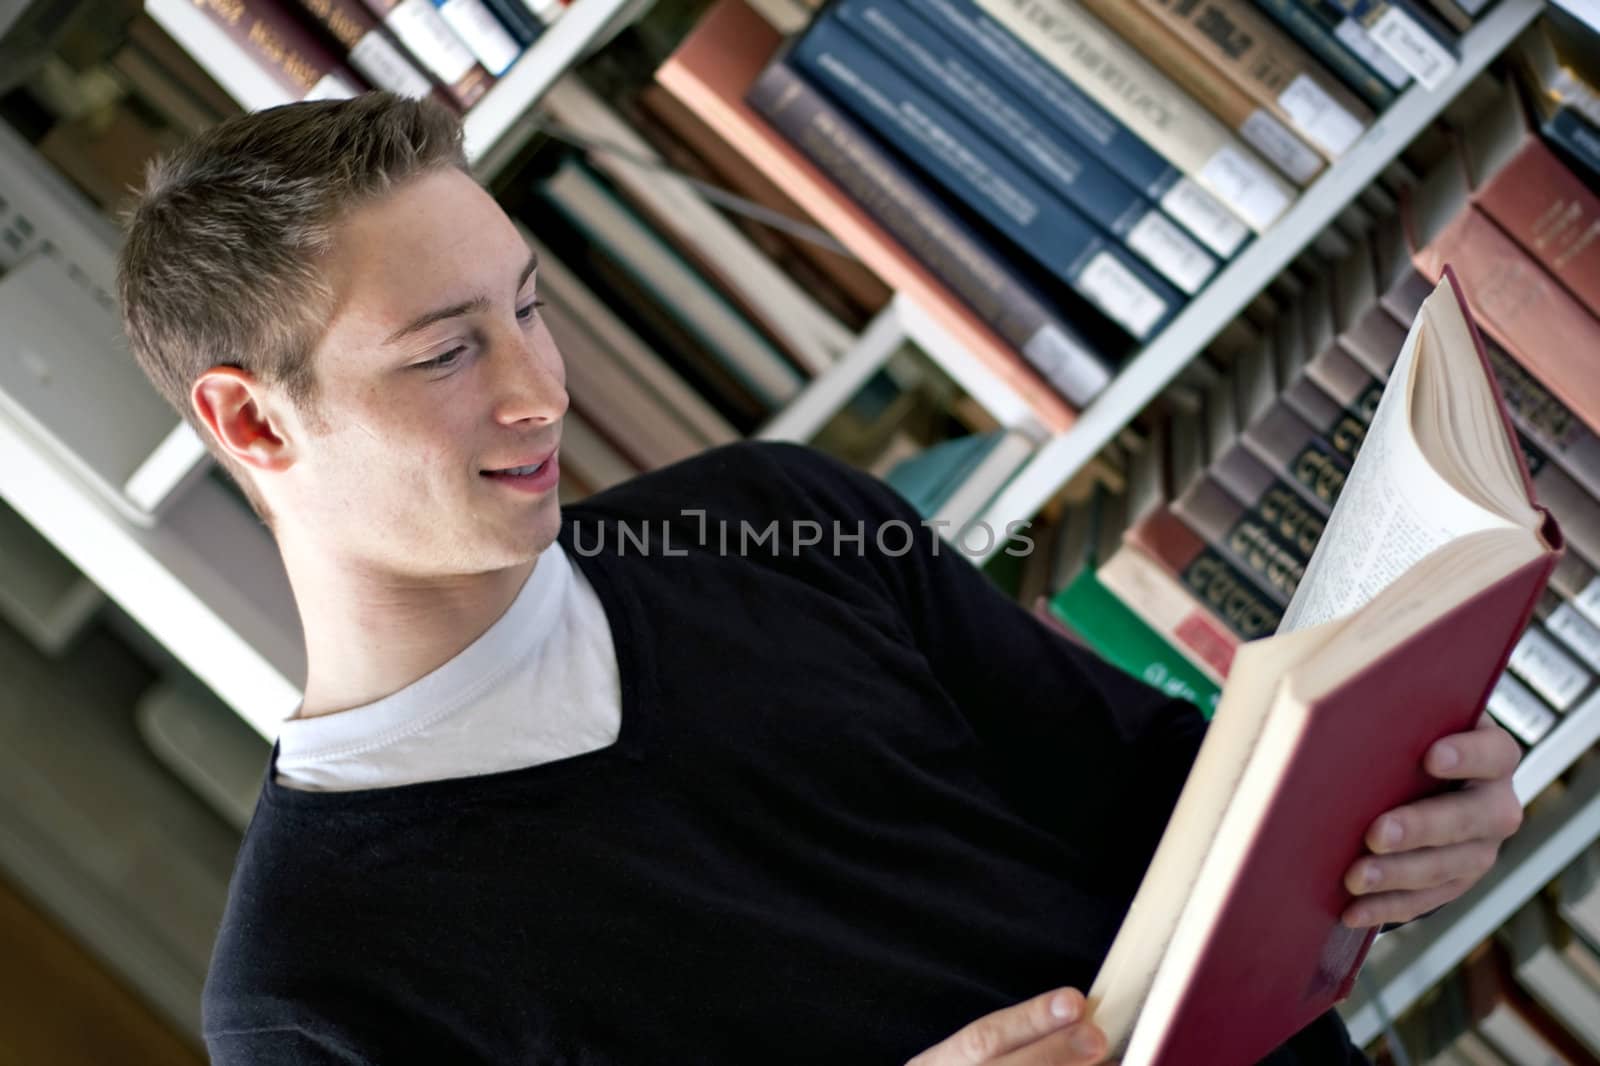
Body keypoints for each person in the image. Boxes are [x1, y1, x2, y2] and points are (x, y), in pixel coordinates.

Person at [116, 93, 1524, 1066]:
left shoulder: (778, 517)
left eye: (529, 307)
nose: (540, 389)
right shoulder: (312, 993)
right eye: (444, 352)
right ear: (251, 420)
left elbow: (1170, 801)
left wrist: (1404, 809)